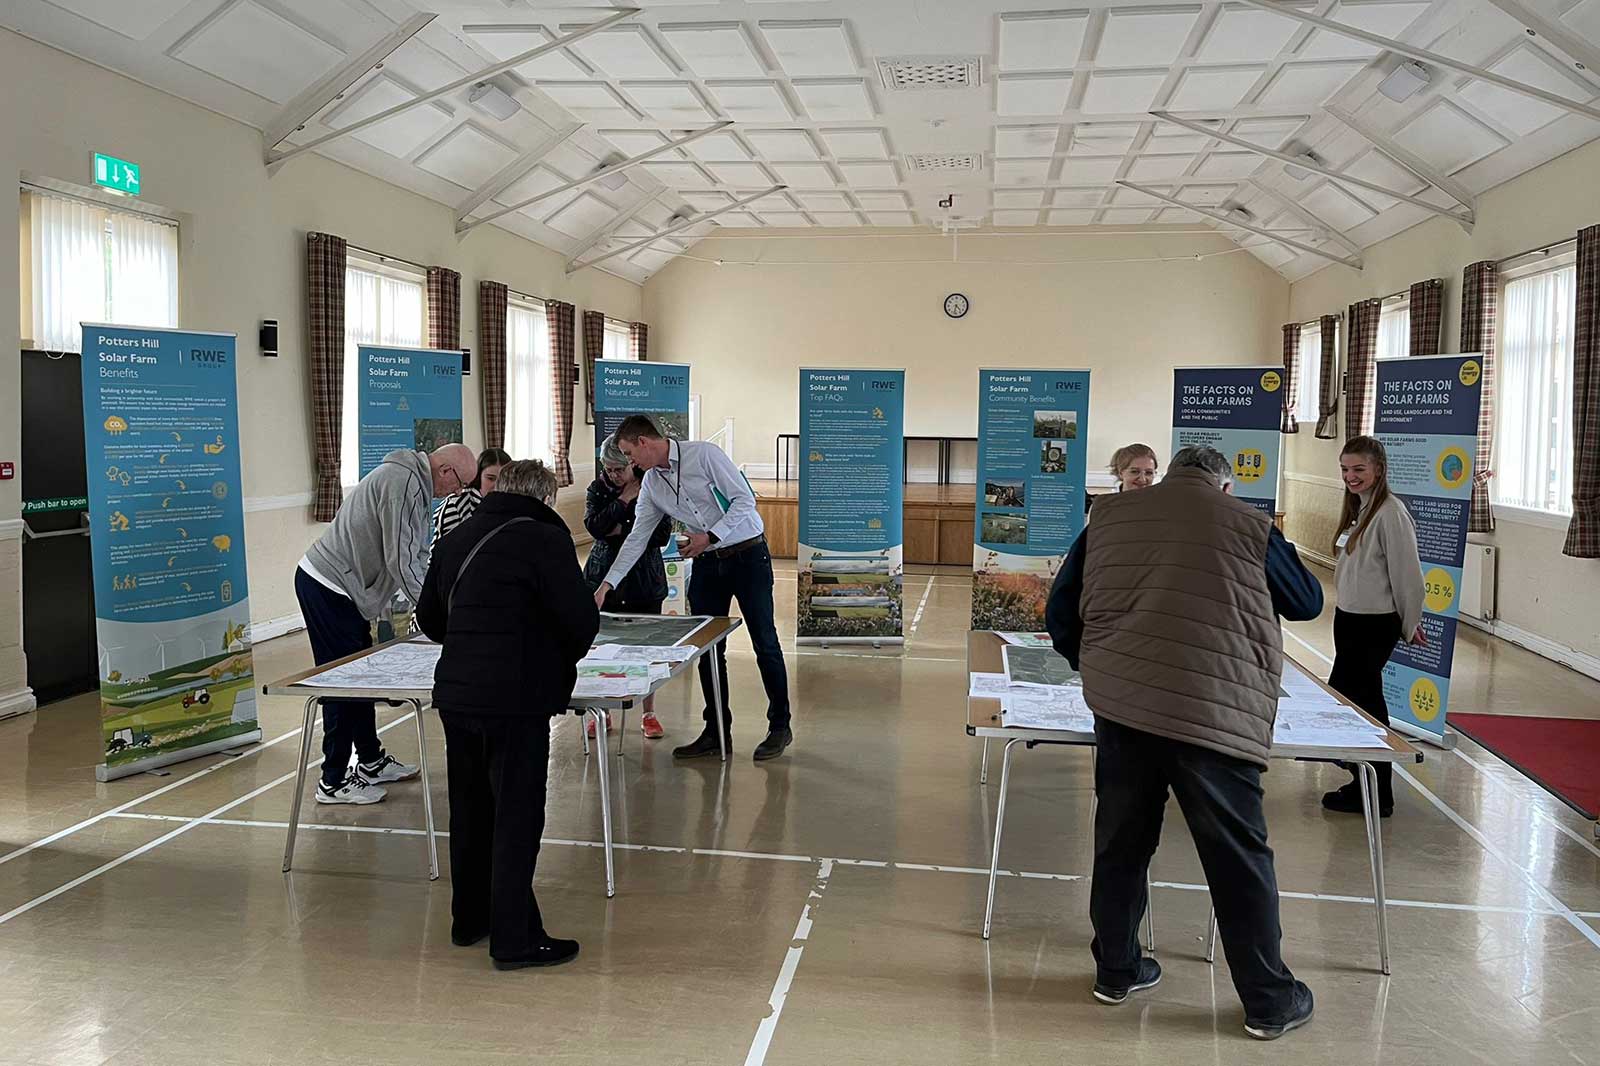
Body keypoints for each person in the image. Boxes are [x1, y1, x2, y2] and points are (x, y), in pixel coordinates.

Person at [1046, 445, 1323, 1041]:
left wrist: (1097, 666)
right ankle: (1268, 999)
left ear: (1164, 475)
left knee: (1120, 843)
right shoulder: (1249, 524)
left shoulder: (1110, 518)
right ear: (1224, 485)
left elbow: (1060, 610)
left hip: (1124, 709)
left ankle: (1116, 971)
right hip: (1214, 714)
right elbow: (1306, 601)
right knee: (1237, 857)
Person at [416, 459, 598, 971]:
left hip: (457, 694)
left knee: (470, 809)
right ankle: (515, 939)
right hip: (516, 698)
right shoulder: (545, 538)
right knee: (517, 815)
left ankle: (469, 919)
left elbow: (431, 619)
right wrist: (548, 655)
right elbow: (580, 619)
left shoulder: (456, 536)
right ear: (545, 498)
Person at [591, 416, 792, 761]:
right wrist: (606, 584)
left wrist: (709, 537)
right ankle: (715, 731)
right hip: (707, 565)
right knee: (709, 650)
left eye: (628, 452)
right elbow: (638, 537)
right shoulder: (652, 484)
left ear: (644, 441)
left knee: (765, 641)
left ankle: (779, 727)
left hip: (747, 556)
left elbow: (745, 501)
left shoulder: (705, 456)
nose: (629, 462)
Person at [296, 442, 478, 804]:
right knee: (344, 682)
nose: (457, 493)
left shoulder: (415, 484)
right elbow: (402, 562)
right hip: (329, 586)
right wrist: (439, 618)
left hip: (346, 589)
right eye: (459, 484)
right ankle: (332, 781)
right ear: (444, 470)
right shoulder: (404, 482)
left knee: (363, 676)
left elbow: (418, 553)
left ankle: (370, 759)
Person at [1323, 436, 1425, 818]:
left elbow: (1408, 578)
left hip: (1374, 625)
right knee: (1351, 701)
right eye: (1346, 470)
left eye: (1359, 469)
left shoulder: (1391, 514)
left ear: (1378, 469)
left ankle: (1378, 790)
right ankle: (1363, 780)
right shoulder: (1360, 510)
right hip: (1349, 619)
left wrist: (1409, 623)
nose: (1351, 476)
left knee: (1361, 704)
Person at [584, 433, 672, 740]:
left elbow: (660, 534)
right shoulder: (597, 489)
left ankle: (648, 712)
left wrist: (621, 527)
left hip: (644, 579)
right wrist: (623, 501)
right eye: (608, 469)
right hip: (602, 576)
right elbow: (595, 528)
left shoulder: (654, 485)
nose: (612, 475)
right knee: (603, 648)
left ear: (632, 465)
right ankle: (603, 710)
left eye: (618, 469)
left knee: (647, 649)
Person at [434, 447, 511, 541]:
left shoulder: (511, 505)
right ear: (478, 476)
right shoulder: (455, 504)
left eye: (503, 479)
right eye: (490, 478)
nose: (497, 485)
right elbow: (444, 550)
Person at [1086, 443, 1159, 514]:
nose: (1142, 479)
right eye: (1135, 471)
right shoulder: (1102, 508)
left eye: (1149, 473)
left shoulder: (1161, 508)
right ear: (1120, 472)